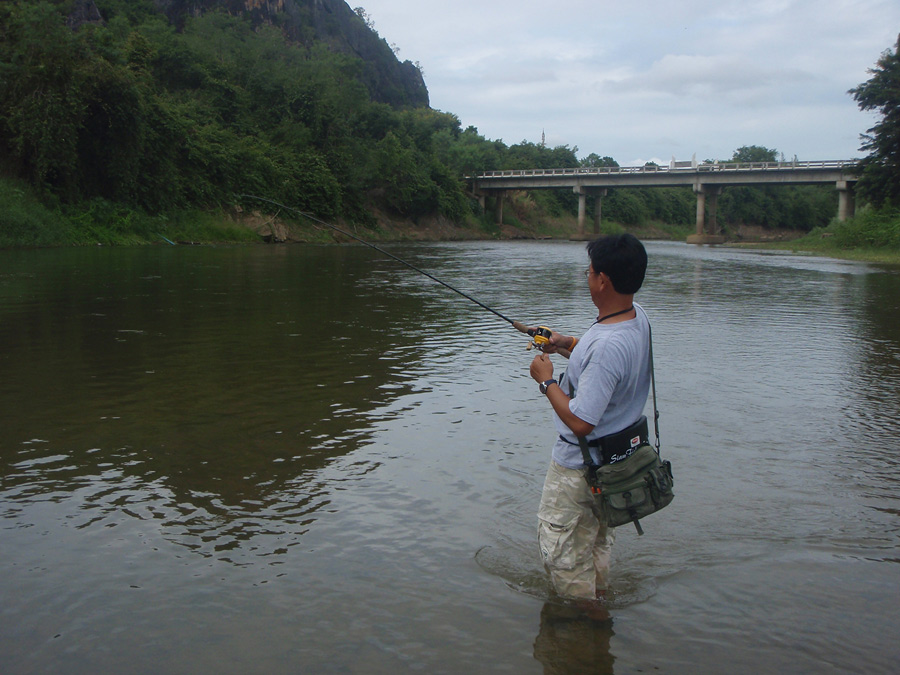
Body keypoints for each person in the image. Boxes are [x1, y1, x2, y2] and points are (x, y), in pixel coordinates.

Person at [529, 233, 650, 601]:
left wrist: (546, 380)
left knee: (564, 558)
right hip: (613, 465)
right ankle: (600, 620)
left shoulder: (606, 346)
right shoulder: (636, 316)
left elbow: (580, 422)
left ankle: (585, 628)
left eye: (590, 271)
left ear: (602, 281)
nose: (588, 276)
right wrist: (566, 343)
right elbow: (604, 366)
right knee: (595, 547)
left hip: (580, 467)